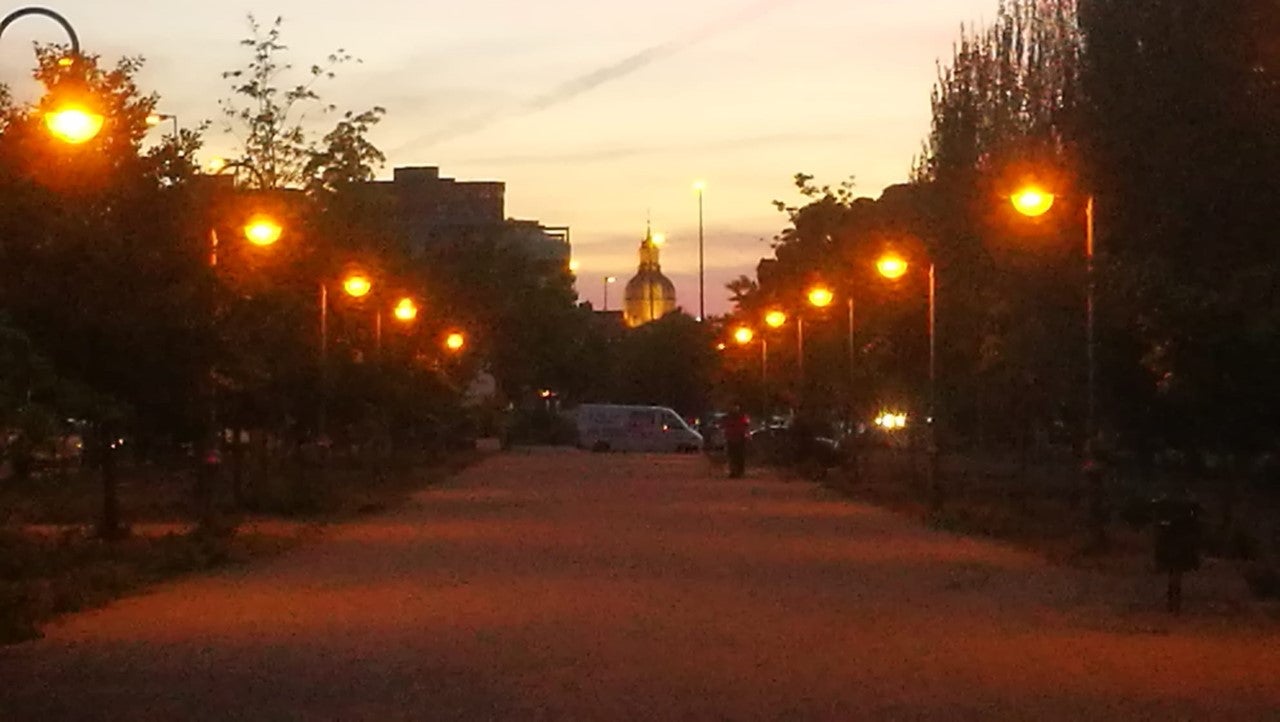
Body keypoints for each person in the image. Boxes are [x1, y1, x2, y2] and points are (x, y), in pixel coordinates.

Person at [722, 404, 750, 478]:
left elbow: (745, 427)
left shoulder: (741, 417)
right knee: (734, 456)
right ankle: (735, 471)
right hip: (733, 439)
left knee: (738, 457)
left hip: (738, 439)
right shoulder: (730, 418)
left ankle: (738, 471)